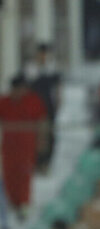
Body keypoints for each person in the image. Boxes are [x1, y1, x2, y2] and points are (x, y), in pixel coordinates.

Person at [0, 75, 48, 220]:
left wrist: (43, 141)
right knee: (9, 175)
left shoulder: (33, 101)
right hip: (9, 146)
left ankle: (24, 205)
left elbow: (42, 121)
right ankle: (12, 204)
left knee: (24, 175)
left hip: (26, 145)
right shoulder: (4, 102)